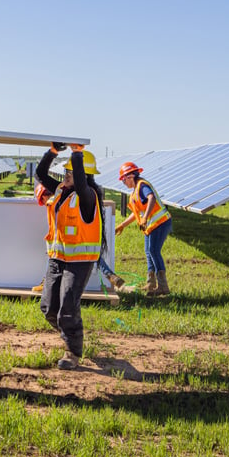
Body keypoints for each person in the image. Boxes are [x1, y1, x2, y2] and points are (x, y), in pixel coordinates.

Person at [35, 143, 104, 369]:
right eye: (65, 171)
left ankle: (73, 351)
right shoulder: (61, 192)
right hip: (57, 258)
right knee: (48, 308)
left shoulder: (87, 196)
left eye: (70, 173)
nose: (65, 175)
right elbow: (40, 174)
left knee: (67, 308)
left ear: (83, 175)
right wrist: (53, 151)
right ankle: (71, 334)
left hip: (80, 262)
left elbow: (81, 182)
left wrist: (76, 153)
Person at [31, 183, 125, 293]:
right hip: (80, 233)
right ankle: (109, 274)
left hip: (66, 240)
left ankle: (47, 283)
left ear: (43, 196)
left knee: (53, 259)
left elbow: (55, 226)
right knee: (90, 255)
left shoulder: (52, 202)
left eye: (42, 200)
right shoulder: (68, 197)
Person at [115, 161, 172, 296]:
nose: (124, 183)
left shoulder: (142, 186)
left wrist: (145, 218)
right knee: (148, 252)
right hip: (151, 226)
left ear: (130, 176)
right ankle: (151, 284)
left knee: (153, 251)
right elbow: (135, 214)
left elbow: (151, 198)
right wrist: (122, 225)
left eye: (124, 180)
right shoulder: (134, 193)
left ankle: (163, 286)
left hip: (160, 222)